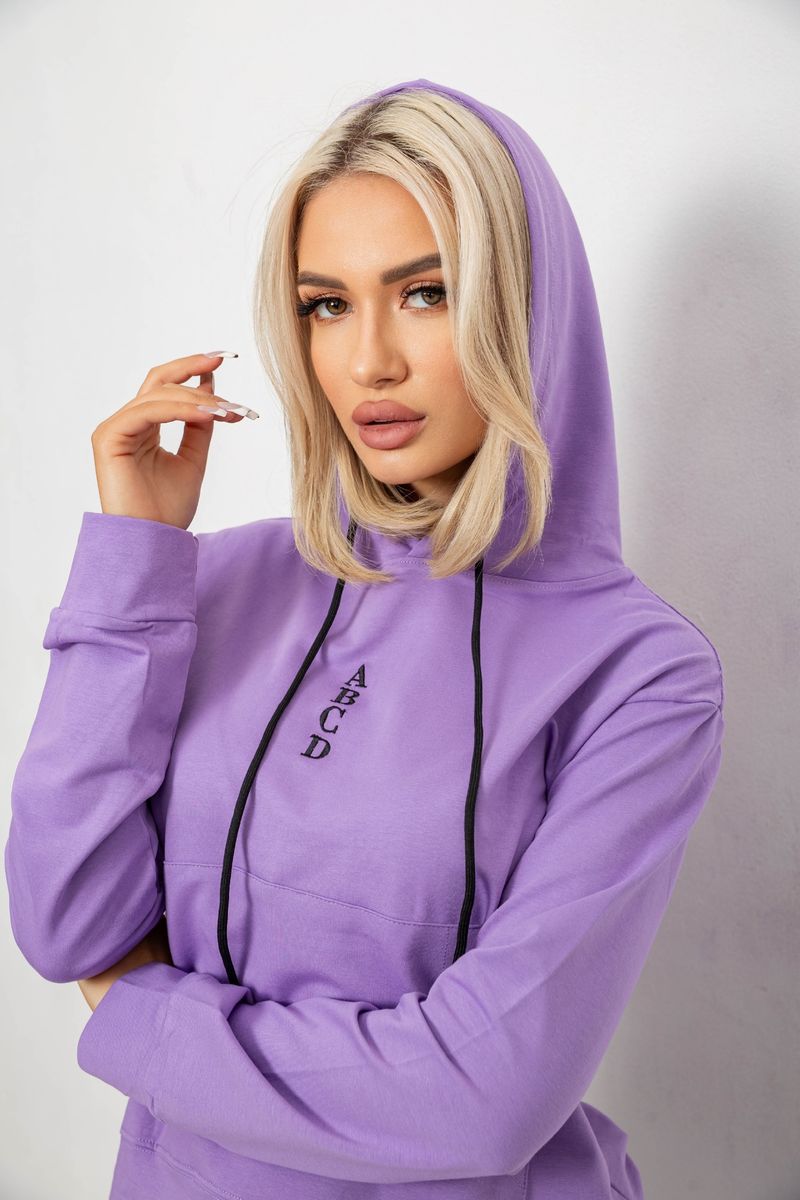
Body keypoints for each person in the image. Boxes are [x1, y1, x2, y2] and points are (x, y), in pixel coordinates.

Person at [4, 77, 725, 1200]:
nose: (367, 362)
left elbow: (478, 1103)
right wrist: (133, 565)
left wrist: (143, 1013)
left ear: (524, 306)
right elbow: (65, 924)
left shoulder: (638, 673)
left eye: (426, 293)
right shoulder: (211, 585)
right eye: (326, 305)